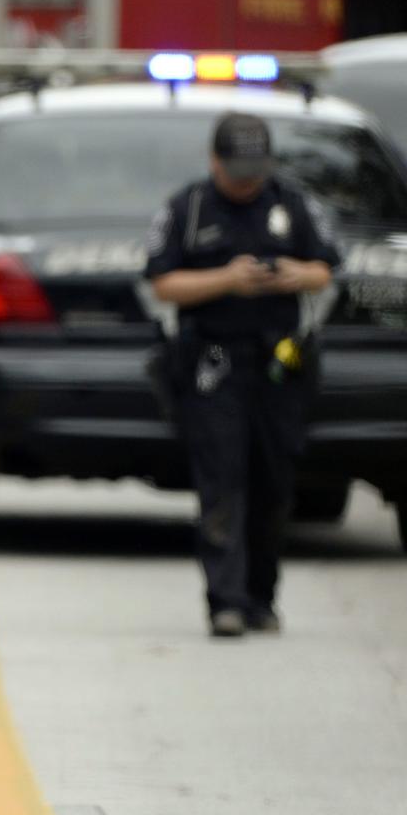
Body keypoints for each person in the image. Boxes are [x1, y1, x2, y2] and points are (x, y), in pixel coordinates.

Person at [146, 113, 341, 638]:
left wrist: (294, 276)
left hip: (279, 362)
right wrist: (227, 280)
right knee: (221, 481)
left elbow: (326, 268)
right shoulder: (186, 209)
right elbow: (163, 283)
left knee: (274, 483)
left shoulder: (291, 203)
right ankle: (224, 602)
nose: (246, 182)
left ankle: (262, 597)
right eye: (236, 172)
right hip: (214, 361)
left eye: (254, 172)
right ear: (214, 162)